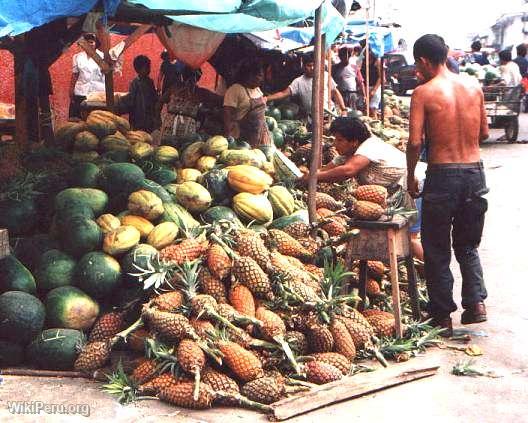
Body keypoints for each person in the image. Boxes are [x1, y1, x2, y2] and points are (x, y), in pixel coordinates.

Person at [406, 34, 489, 337]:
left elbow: (415, 141)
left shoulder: (423, 93)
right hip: (474, 173)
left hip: (442, 175)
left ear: (425, 61)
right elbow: (483, 132)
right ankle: (476, 304)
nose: (417, 71)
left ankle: (442, 316)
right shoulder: (474, 87)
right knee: (468, 244)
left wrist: (411, 174)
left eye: (417, 65)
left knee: (436, 248)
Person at [301, 117, 426, 260]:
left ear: (354, 141)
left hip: (415, 185)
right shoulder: (348, 154)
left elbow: (348, 171)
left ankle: (435, 279)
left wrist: (312, 177)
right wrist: (306, 176)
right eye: (334, 139)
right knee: (411, 238)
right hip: (406, 190)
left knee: (411, 238)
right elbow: (324, 171)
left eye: (340, 140)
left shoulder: (369, 147)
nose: (335, 145)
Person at [265, 54, 348, 122]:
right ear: (303, 66)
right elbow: (283, 93)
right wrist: (266, 98)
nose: (312, 68)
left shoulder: (325, 75)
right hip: (313, 120)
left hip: (330, 116)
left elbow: (335, 92)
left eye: (313, 65)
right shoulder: (298, 81)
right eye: (309, 65)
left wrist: (343, 109)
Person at [158, 66, 220, 139]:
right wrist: (158, 120)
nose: (190, 81)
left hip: (185, 131)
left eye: (193, 78)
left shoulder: (199, 92)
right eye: (189, 77)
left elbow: (220, 100)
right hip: (170, 128)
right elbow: (160, 102)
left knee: (183, 148)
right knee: (168, 149)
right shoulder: (175, 88)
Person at [223, 59, 272, 150]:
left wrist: (265, 133)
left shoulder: (257, 89)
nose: (262, 79)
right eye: (260, 75)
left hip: (258, 135)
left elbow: (261, 116)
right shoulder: (235, 90)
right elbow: (228, 118)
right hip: (243, 139)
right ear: (250, 75)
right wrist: (230, 141)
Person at [69, 33, 106, 119]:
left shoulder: (103, 57)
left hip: (97, 93)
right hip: (81, 92)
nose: (89, 44)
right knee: (79, 119)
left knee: (95, 119)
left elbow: (108, 74)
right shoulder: (77, 57)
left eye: (91, 42)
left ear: (96, 43)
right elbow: (75, 75)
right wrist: (71, 90)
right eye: (87, 42)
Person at [120, 55, 158, 132]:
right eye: (146, 67)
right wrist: (121, 100)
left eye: (149, 67)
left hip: (149, 117)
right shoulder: (135, 83)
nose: (149, 70)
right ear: (138, 69)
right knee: (137, 136)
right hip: (137, 117)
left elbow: (154, 97)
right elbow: (131, 100)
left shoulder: (150, 82)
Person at [360, 48, 383, 119]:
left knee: (372, 108)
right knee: (365, 109)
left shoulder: (377, 62)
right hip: (365, 87)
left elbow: (380, 77)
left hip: (375, 87)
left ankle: (375, 123)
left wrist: (374, 90)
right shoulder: (363, 62)